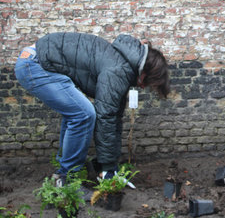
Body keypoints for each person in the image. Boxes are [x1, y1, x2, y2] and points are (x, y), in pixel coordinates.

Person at [14, 32, 170, 187]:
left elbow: (114, 118)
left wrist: (110, 167)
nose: (143, 87)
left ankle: (64, 172)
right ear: (144, 72)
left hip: (35, 60)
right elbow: (105, 117)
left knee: (76, 113)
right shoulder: (118, 70)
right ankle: (66, 179)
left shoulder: (123, 65)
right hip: (34, 65)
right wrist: (107, 169)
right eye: (148, 82)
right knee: (84, 114)